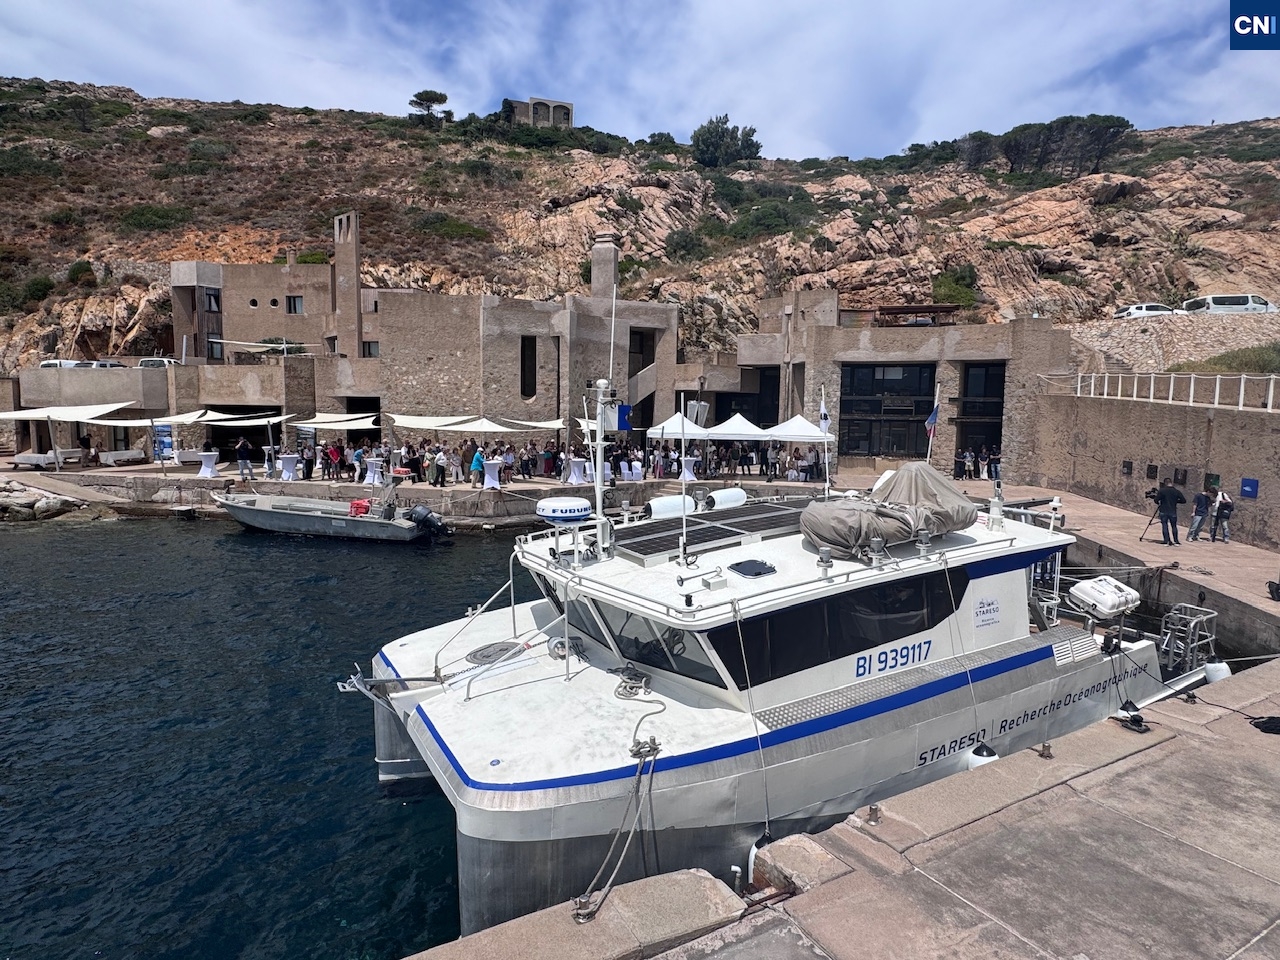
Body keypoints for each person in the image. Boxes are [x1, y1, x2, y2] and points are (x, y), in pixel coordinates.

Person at [1155, 477, 1185, 546]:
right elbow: (1183, 500)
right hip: (1173, 511)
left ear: (1165, 483)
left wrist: (1159, 502)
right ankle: (1176, 541)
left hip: (1164, 510)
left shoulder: (1162, 491)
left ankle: (1166, 541)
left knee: (1165, 525)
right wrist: (1176, 501)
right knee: (1174, 526)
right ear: (1171, 483)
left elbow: (1156, 500)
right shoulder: (1176, 491)